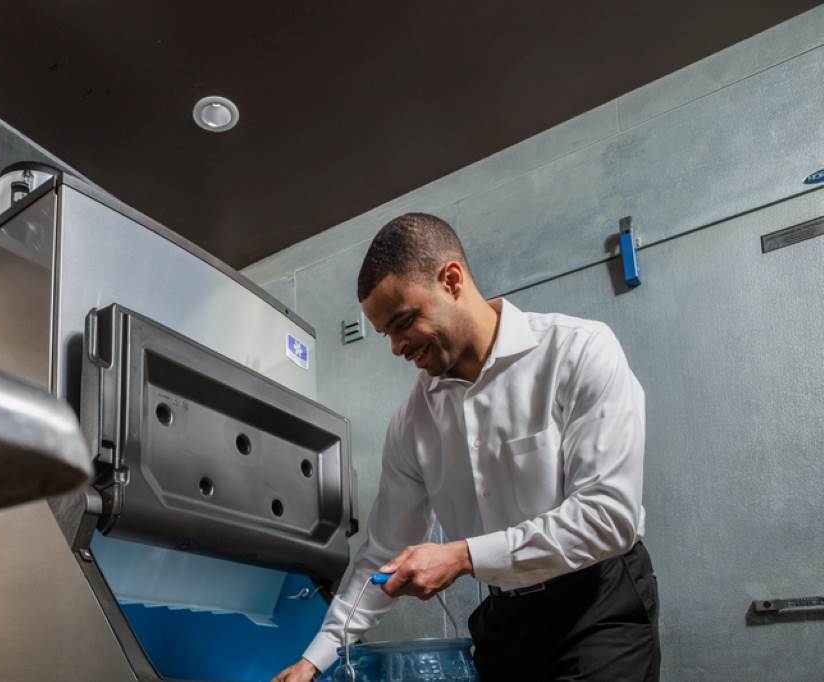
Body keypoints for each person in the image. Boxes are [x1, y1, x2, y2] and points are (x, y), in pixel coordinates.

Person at [272, 212, 660, 681]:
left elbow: (607, 517)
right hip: (505, 621)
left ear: (452, 280)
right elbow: (382, 554)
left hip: (597, 606)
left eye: (403, 321)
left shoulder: (578, 352)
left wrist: (462, 556)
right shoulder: (412, 424)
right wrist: (314, 659)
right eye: (386, 334)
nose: (396, 347)